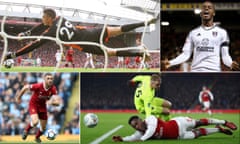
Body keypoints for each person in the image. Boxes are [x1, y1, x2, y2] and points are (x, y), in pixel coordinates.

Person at [4, 8, 156, 61]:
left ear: (49, 18)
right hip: (91, 32)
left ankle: (141, 53)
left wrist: (12, 55)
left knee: (111, 53)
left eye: (43, 17)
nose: (42, 19)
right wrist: (28, 32)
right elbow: (40, 26)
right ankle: (145, 22)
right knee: (119, 29)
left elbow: (34, 45)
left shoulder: (51, 32)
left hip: (85, 45)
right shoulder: (60, 18)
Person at [162, 1, 240, 72]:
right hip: (196, 72)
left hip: (214, 71)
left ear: (213, 13)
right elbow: (185, 55)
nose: (206, 9)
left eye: (209, 8)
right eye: (204, 8)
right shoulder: (193, 33)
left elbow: (225, 56)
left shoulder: (222, 33)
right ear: (201, 13)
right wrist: (170, 63)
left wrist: (230, 63)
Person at [112, 115, 237, 142]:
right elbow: (133, 137)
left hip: (179, 123)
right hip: (179, 136)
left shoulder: (150, 119)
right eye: (134, 126)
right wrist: (122, 139)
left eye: (136, 123)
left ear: (140, 120)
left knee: (198, 123)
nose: (137, 126)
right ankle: (219, 129)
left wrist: (142, 139)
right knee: (198, 134)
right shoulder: (141, 132)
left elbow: (151, 130)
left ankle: (224, 122)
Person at [15, 73, 60, 143]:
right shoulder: (38, 86)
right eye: (48, 78)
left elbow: (58, 103)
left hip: (43, 106)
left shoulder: (53, 89)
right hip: (34, 105)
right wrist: (18, 97)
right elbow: (25, 87)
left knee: (43, 127)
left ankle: (37, 137)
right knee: (35, 122)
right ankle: (26, 130)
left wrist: (51, 103)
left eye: (51, 79)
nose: (50, 80)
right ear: (44, 79)